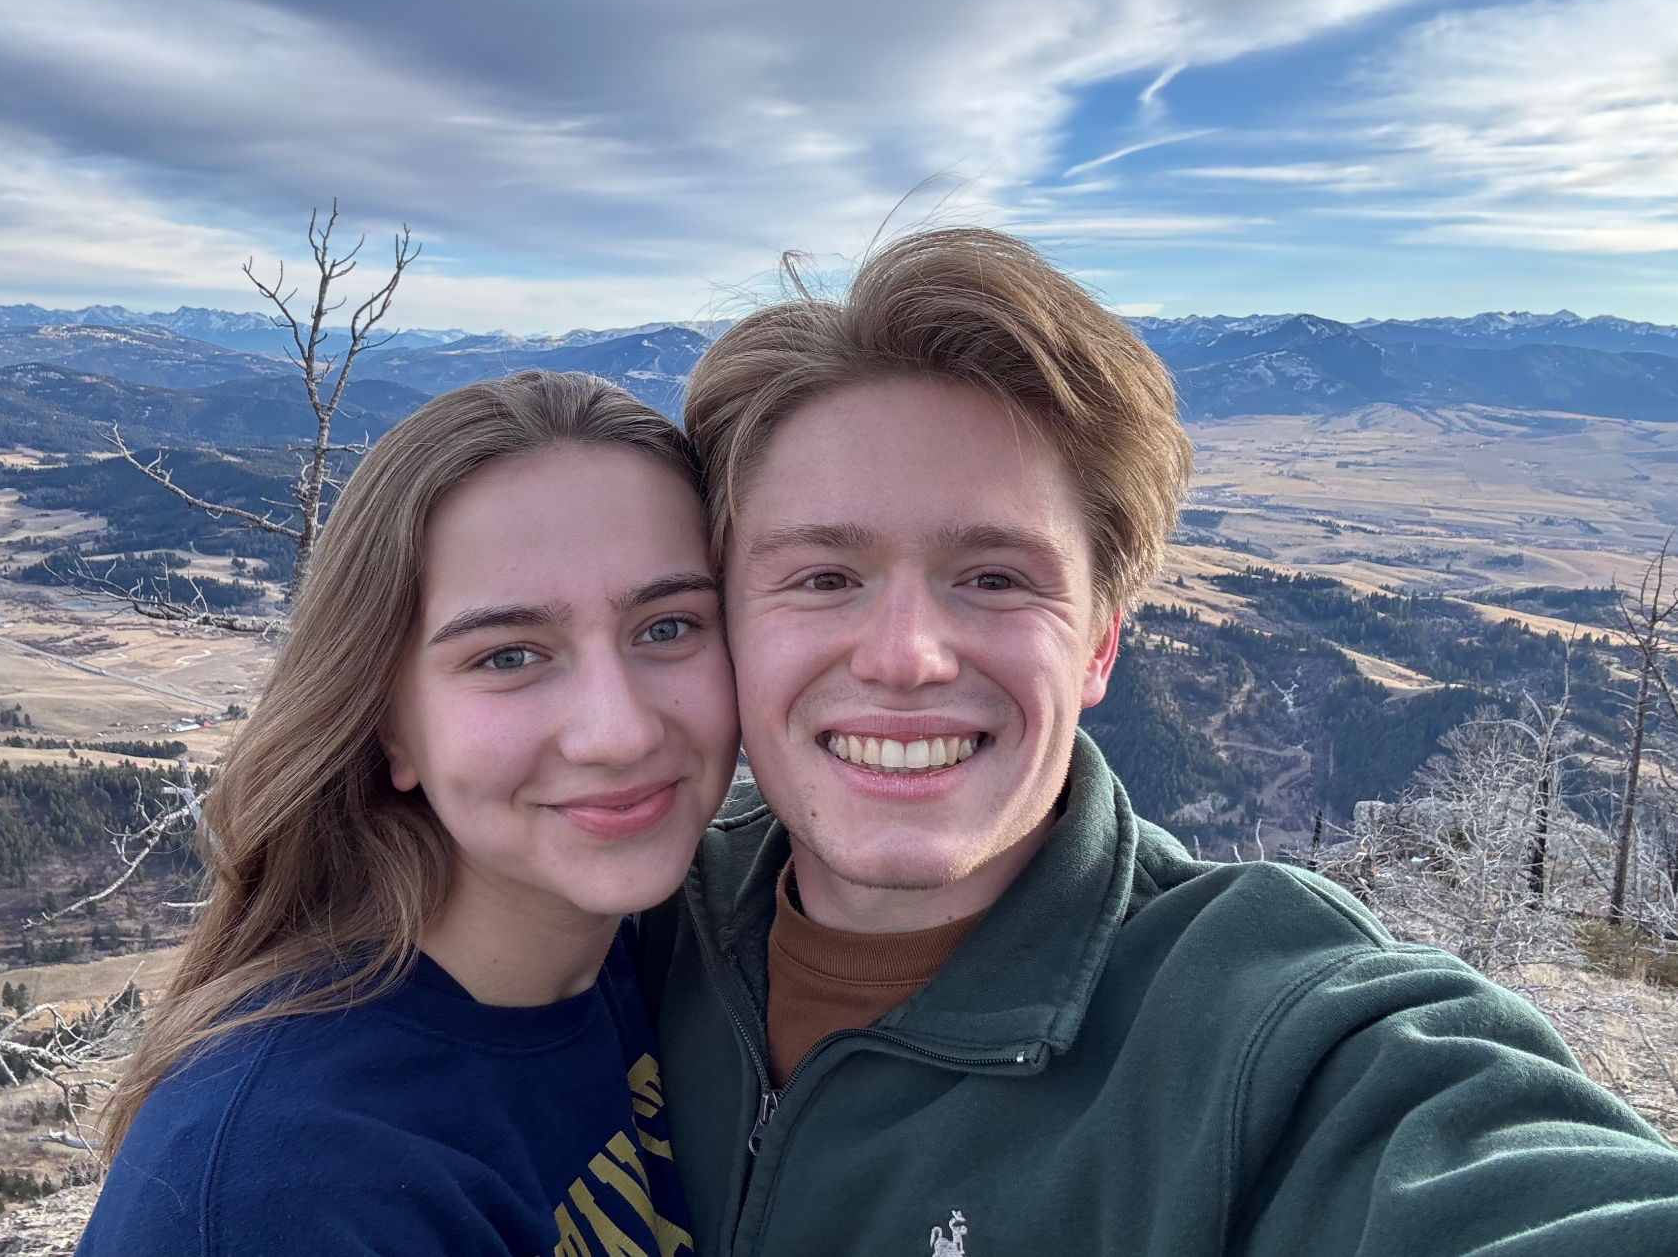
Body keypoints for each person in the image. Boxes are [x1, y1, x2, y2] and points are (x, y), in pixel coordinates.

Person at [641, 229, 1678, 1255]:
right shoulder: (628, 914)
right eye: (824, 578)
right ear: (730, 623)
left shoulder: (1267, 1038)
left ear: (1099, 644)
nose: (905, 657)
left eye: (995, 577)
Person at [80, 370, 735, 1256]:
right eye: (509, 655)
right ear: (388, 724)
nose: (619, 733)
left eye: (667, 626)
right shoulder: (282, 1195)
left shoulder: (654, 955)